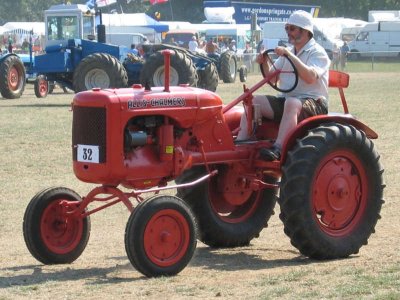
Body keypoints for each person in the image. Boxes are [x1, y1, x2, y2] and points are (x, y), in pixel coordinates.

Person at [236, 10, 330, 161]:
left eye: (292, 28)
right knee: (253, 101)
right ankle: (241, 145)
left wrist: (289, 55)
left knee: (292, 103)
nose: (288, 32)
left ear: (305, 31)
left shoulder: (317, 52)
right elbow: (271, 79)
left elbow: (310, 77)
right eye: (287, 28)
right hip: (288, 101)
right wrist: (265, 62)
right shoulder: (290, 51)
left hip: (314, 104)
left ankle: (279, 148)